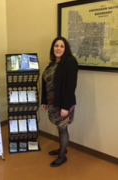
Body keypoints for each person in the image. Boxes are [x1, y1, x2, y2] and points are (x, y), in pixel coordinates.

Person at [41, 37, 78, 167]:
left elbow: (71, 86)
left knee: (63, 128)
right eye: (56, 46)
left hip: (63, 104)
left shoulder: (70, 62)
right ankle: (62, 147)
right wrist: (44, 101)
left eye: (61, 46)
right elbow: (45, 83)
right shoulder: (52, 64)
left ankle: (62, 156)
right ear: (53, 48)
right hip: (53, 103)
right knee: (59, 126)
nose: (58, 48)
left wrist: (65, 107)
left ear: (66, 48)